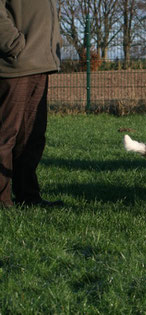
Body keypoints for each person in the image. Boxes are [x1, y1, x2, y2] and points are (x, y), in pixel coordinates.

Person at [0, 0, 62, 208]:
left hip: (39, 62)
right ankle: (2, 199)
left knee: (32, 136)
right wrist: (14, 45)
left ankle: (28, 196)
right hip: (15, 64)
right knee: (6, 135)